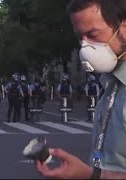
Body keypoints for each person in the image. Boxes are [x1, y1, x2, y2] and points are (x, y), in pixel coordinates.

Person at [37, 0, 126, 179]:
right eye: (80, 38)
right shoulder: (110, 84)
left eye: (92, 34)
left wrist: (90, 175)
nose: (85, 48)